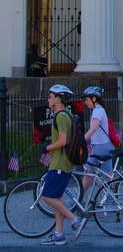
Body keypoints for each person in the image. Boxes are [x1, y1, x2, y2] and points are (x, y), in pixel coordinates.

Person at [40, 84, 87, 245]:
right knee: (57, 198)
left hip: (59, 163)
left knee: (46, 196)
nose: (49, 99)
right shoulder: (65, 114)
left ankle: (75, 220)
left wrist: (47, 147)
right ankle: (58, 234)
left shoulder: (61, 116)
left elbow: (62, 141)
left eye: (51, 97)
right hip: (62, 163)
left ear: (58, 99)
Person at [81, 86, 114, 196]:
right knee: (88, 173)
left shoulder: (98, 111)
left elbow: (93, 128)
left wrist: (81, 140)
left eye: (86, 99)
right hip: (98, 147)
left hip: (103, 147)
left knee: (108, 176)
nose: (85, 103)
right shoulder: (97, 110)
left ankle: (112, 201)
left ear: (94, 99)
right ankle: (77, 200)